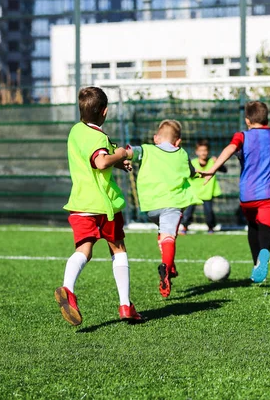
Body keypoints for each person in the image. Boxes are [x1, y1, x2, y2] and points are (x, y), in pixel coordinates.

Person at [55, 86, 142, 326]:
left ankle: (68, 289)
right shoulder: (99, 137)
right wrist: (122, 153)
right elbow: (101, 160)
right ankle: (125, 305)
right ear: (104, 112)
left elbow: (92, 159)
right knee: (118, 249)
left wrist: (117, 161)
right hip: (105, 205)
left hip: (81, 204)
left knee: (84, 250)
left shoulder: (75, 131)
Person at [200, 101, 270, 283]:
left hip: (248, 194)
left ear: (248, 120)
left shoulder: (242, 136)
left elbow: (231, 148)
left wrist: (213, 168)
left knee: (252, 227)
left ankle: (256, 265)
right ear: (266, 118)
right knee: (265, 230)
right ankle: (263, 255)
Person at [129, 120, 202, 298]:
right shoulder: (182, 153)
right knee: (169, 236)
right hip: (172, 204)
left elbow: (129, 152)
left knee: (163, 233)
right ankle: (166, 268)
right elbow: (191, 171)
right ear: (178, 142)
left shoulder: (146, 149)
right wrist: (199, 173)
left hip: (150, 206)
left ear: (156, 138)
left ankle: (171, 265)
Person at [180, 139, 227, 235]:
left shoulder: (213, 162)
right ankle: (184, 227)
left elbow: (224, 170)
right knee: (188, 212)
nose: (203, 153)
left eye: (205, 150)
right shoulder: (192, 163)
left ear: (208, 151)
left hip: (207, 192)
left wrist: (218, 162)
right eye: (201, 150)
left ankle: (211, 228)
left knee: (209, 212)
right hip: (193, 192)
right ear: (197, 151)